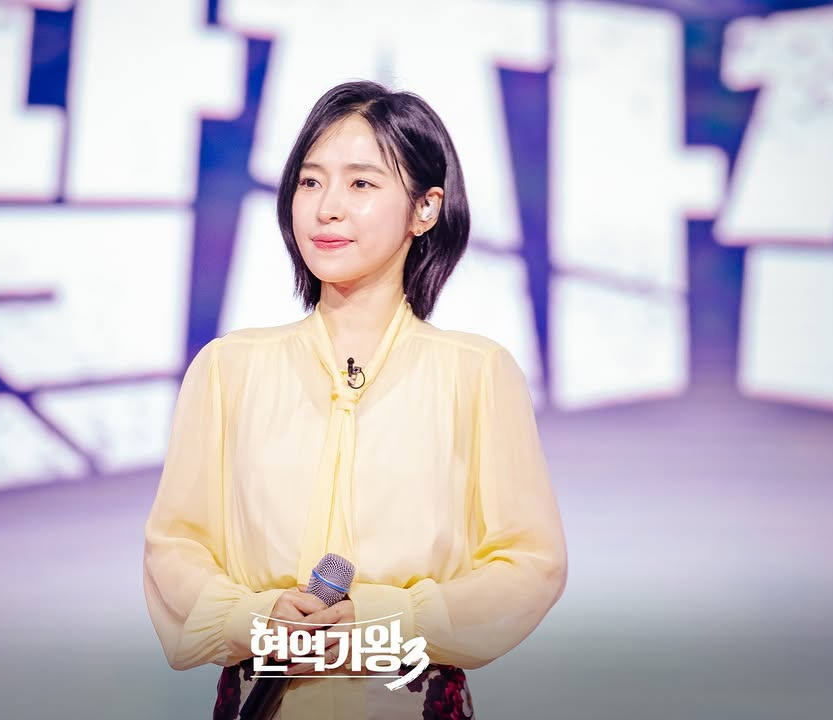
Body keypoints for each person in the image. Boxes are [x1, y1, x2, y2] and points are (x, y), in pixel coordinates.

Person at [143, 80, 567, 719]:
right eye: (310, 182)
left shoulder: (477, 372)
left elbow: (529, 563)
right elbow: (175, 547)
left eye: (361, 183)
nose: (327, 208)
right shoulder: (229, 367)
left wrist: (386, 620)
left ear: (425, 209)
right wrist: (255, 617)